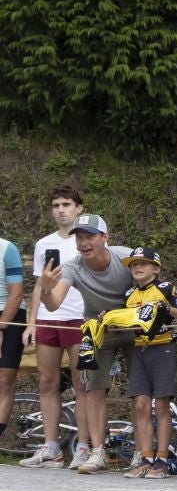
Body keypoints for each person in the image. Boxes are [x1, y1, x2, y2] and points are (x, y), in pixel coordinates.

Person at [33, 213, 133, 475]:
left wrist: (128, 317)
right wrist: (45, 288)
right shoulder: (73, 266)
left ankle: (142, 453)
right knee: (93, 388)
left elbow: (149, 288)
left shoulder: (126, 256)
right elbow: (53, 304)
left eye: (90, 236)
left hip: (133, 326)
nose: (84, 243)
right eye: (79, 237)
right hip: (98, 328)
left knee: (140, 389)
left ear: (105, 238)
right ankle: (97, 451)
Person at [19, 187, 87, 469]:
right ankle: (51, 448)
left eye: (66, 204)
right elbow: (39, 285)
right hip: (49, 317)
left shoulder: (87, 240)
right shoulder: (43, 243)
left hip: (79, 316)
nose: (61, 209)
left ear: (78, 208)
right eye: (56, 205)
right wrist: (31, 322)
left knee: (82, 383)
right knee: (47, 381)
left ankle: (84, 446)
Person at [119, 247, 177, 479]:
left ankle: (162, 459)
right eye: (134, 264)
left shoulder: (165, 288)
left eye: (143, 263)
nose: (138, 267)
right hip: (139, 349)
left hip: (163, 347)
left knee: (162, 404)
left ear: (156, 268)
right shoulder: (129, 295)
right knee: (141, 404)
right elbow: (127, 322)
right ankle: (145, 457)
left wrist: (168, 309)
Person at [0, 235, 26, 443]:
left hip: (9, 313)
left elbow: (16, 293)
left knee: (4, 379)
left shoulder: (7, 248)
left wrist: (1, 327)